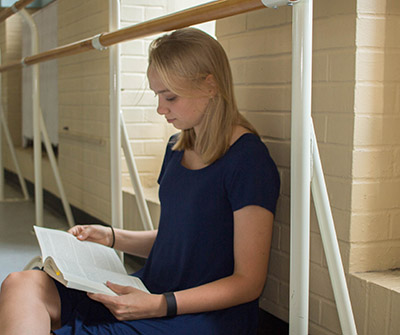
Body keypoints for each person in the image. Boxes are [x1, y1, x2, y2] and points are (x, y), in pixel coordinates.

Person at [0, 28, 280, 335]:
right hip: (149, 291)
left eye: (170, 96)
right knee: (22, 283)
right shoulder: (177, 148)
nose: (161, 108)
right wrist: (111, 237)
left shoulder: (248, 160)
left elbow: (249, 282)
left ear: (210, 85)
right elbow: (179, 238)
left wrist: (161, 304)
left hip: (199, 314)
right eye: (158, 95)